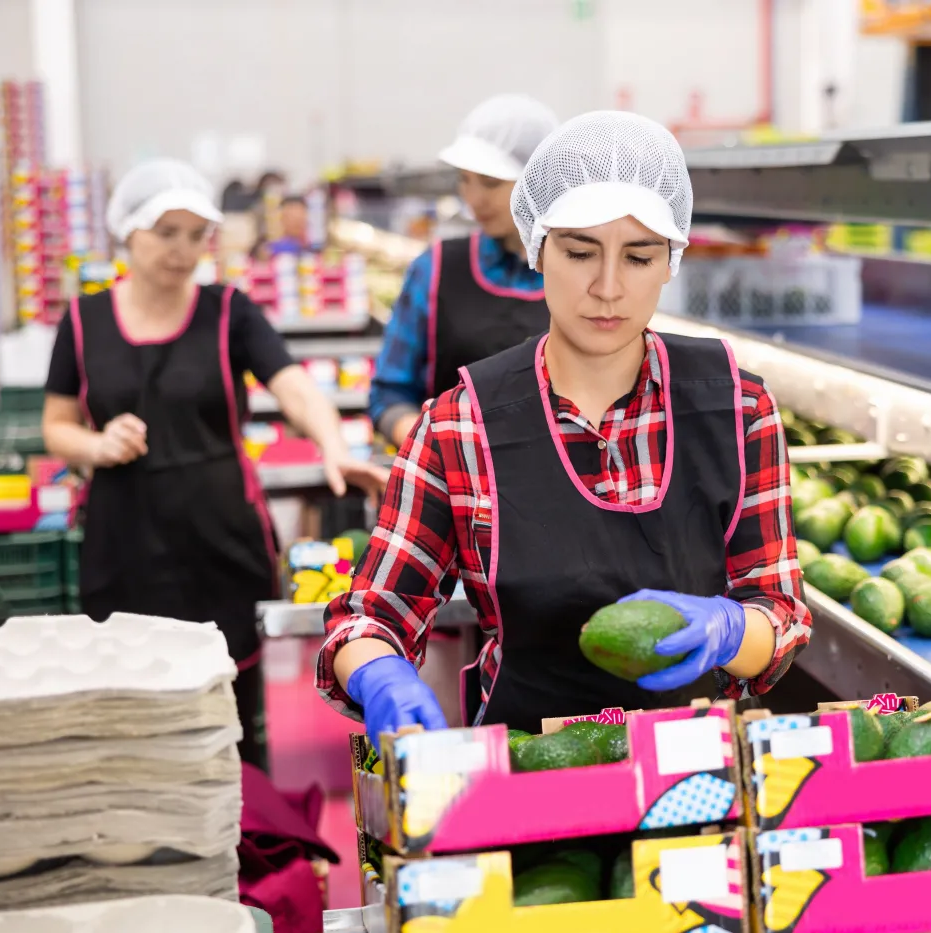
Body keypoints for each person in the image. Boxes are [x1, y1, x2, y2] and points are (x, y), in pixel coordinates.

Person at [319, 112, 812, 737]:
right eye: (580, 252)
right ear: (537, 249)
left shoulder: (738, 412)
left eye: (638, 257)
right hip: (527, 784)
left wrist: (733, 630)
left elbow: (781, 614)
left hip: (690, 787)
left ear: (672, 262)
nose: (607, 287)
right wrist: (378, 671)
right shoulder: (459, 427)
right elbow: (369, 617)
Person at [43, 159, 387, 769]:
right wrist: (96, 446)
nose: (183, 250)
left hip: (221, 540)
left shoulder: (229, 311)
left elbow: (295, 388)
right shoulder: (82, 321)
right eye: (166, 232)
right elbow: (57, 426)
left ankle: (245, 845)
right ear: (127, 231)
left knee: (232, 716)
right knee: (135, 713)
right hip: (124, 543)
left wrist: (334, 445)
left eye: (196, 235)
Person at [368, 93, 559, 448]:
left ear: (540, 183)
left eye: (490, 183)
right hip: (453, 489)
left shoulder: (577, 276)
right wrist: (437, 451)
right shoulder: (436, 269)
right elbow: (389, 393)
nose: (474, 198)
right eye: (464, 180)